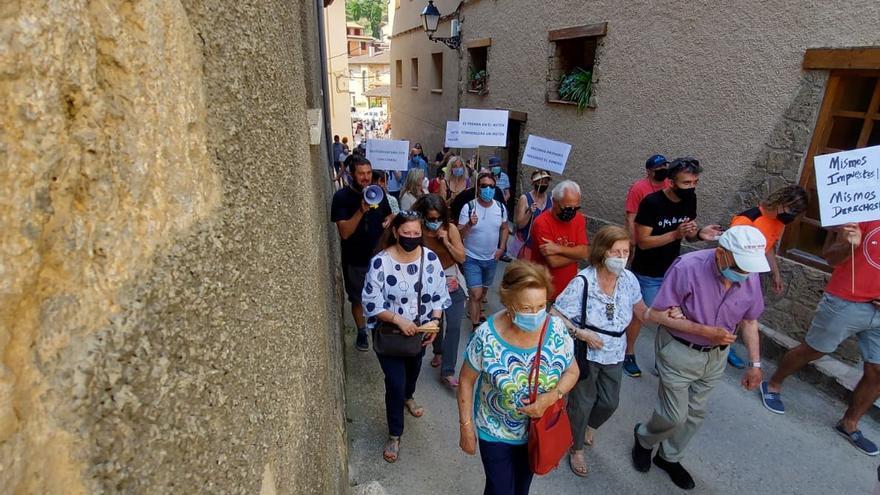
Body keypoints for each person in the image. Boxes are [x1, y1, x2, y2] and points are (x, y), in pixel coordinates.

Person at [631, 226, 768, 490]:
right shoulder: (687, 267)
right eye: (740, 266)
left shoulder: (750, 273)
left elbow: (750, 321)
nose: (744, 275)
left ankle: (669, 457)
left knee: (695, 413)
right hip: (679, 350)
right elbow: (654, 315)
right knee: (674, 415)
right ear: (721, 254)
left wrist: (755, 365)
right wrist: (706, 331)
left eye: (749, 268)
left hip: (716, 357)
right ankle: (644, 439)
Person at [759, 221, 880, 456]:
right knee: (814, 349)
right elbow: (830, 258)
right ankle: (772, 383)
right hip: (847, 300)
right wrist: (848, 244)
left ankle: (849, 423)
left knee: (878, 369)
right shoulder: (864, 210)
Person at [458, 261, 579, 495]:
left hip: (535, 432)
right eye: (526, 308)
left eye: (541, 306)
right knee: (501, 489)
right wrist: (466, 427)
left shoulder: (556, 330)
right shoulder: (486, 337)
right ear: (509, 303)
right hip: (494, 431)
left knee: (520, 489)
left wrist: (550, 398)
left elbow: (572, 371)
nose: (535, 316)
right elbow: (465, 381)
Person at [550, 225, 647, 477]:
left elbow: (642, 312)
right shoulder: (584, 281)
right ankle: (576, 447)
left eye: (625, 252)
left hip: (615, 352)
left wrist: (668, 315)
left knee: (609, 402)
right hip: (587, 352)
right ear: (602, 252)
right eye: (616, 252)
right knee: (581, 403)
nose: (621, 257)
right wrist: (580, 333)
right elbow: (555, 313)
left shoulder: (629, 280)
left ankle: (589, 426)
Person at [362, 211, 451, 463]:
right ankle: (395, 434)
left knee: (412, 373)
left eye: (416, 233)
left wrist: (434, 322)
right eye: (406, 233)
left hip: (419, 335)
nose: (412, 237)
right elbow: (371, 301)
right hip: (390, 334)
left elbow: (439, 294)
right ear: (395, 233)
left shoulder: (430, 259)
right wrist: (399, 320)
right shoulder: (381, 262)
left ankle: (409, 397)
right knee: (395, 383)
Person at [623, 157, 723, 377]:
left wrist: (699, 235)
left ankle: (664, 358)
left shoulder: (690, 200)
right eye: (686, 183)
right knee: (642, 315)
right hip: (648, 271)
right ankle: (628, 352)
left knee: (672, 318)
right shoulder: (652, 203)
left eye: (695, 182)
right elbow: (643, 242)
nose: (692, 187)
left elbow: (686, 235)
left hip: (674, 270)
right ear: (670, 182)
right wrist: (675, 234)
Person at [725, 185, 807, 368]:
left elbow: (767, 247)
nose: (792, 215)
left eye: (796, 212)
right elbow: (728, 251)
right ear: (780, 201)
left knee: (742, 315)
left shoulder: (779, 222)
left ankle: (725, 346)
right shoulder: (747, 219)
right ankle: (719, 346)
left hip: (752, 273)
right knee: (726, 312)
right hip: (734, 272)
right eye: (791, 209)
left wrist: (775, 273)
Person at [331, 155, 394, 352]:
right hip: (355, 259)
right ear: (351, 174)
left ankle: (381, 328)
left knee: (383, 295)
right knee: (358, 298)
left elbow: (388, 215)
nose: (366, 178)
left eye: (368, 173)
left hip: (380, 259)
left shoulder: (379, 194)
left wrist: (389, 220)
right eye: (361, 174)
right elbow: (345, 232)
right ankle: (361, 331)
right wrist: (361, 210)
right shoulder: (341, 198)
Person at [414, 194, 467, 387]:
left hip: (451, 279)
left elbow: (461, 258)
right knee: (436, 322)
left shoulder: (450, 229)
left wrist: (446, 242)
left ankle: (448, 370)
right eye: (431, 218)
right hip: (427, 281)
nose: (434, 222)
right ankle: (438, 351)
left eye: (438, 218)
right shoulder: (417, 230)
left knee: (453, 325)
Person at [458, 173, 509, 330]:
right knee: (475, 293)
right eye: (484, 186)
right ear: (478, 188)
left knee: (483, 293)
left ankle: (475, 310)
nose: (488, 189)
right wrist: (469, 224)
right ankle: (475, 325)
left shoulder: (500, 208)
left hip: (492, 258)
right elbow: (459, 234)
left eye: (491, 186)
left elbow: (505, 227)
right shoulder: (469, 207)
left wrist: (501, 248)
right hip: (471, 257)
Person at [529, 180, 589, 300]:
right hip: (544, 291)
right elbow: (554, 262)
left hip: (569, 290)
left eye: (575, 207)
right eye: (567, 207)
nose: (571, 211)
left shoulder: (579, 219)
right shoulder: (542, 223)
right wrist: (578, 254)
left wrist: (558, 248)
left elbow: (585, 251)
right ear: (554, 201)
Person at [625, 154, 670, 250]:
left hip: (664, 236)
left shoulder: (670, 184)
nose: (662, 169)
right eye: (658, 167)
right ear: (649, 171)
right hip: (643, 237)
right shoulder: (638, 188)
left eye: (664, 166)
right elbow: (631, 217)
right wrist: (632, 242)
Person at [513, 170, 553, 260]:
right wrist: (530, 212)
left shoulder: (551, 200)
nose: (543, 184)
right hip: (527, 245)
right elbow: (519, 225)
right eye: (540, 181)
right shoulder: (525, 198)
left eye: (546, 182)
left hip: (543, 247)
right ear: (534, 182)